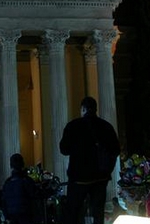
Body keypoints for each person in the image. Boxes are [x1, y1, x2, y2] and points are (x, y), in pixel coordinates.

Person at [59, 96, 120, 224]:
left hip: (79, 178)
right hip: (100, 177)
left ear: (83, 109)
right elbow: (116, 150)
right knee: (98, 212)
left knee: (74, 212)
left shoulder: (73, 126)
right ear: (95, 109)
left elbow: (64, 149)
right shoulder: (106, 126)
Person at [0, 153, 47, 224]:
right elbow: (36, 194)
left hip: (12, 218)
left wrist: (7, 217)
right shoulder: (26, 180)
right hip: (26, 217)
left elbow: (3, 202)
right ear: (22, 164)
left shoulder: (7, 183)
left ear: (11, 165)